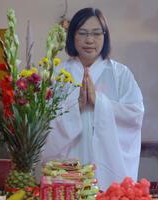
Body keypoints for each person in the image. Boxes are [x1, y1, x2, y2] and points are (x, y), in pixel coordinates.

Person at [41, 7, 144, 190]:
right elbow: (43, 120)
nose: (90, 40)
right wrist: (76, 107)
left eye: (97, 33)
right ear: (73, 36)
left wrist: (100, 103)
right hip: (68, 165)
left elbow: (135, 115)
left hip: (107, 167)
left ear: (105, 37)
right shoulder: (57, 74)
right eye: (83, 33)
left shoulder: (120, 74)